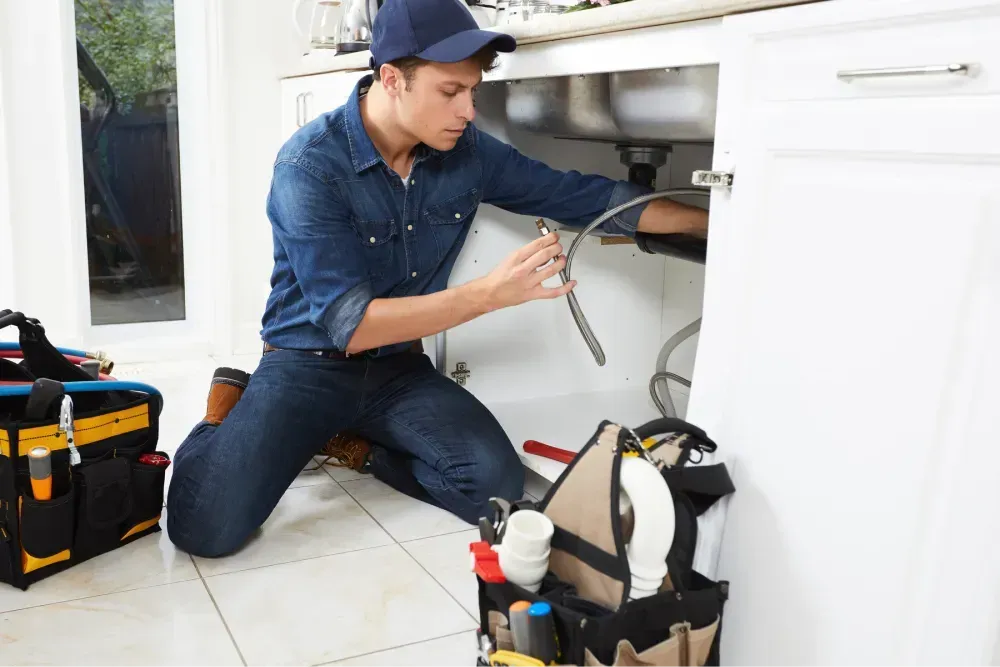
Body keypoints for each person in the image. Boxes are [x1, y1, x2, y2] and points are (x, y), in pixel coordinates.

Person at [166, 0, 707, 558]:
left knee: (493, 485)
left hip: (397, 370)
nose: (468, 111)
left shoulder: (465, 153)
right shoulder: (309, 166)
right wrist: (489, 296)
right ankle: (225, 414)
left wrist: (713, 220)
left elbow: (584, 197)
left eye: (473, 91)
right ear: (392, 79)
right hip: (308, 364)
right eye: (451, 92)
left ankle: (356, 447)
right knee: (205, 529)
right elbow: (351, 326)